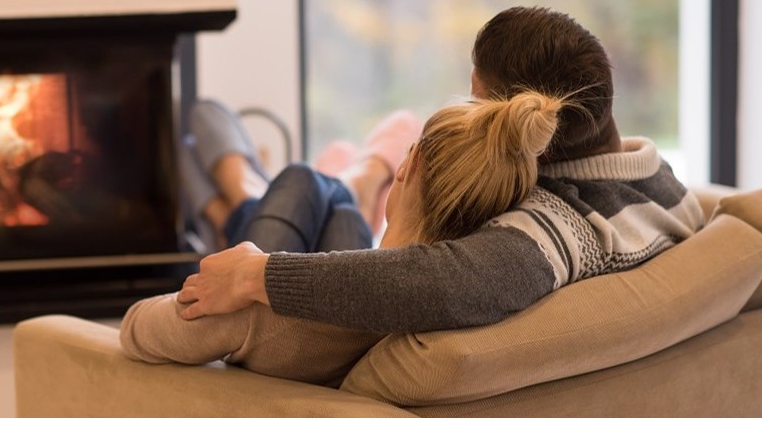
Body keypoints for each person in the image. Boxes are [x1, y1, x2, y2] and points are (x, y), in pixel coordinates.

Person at [173, 6, 705, 333]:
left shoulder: (553, 228)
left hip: (303, 342)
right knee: (314, 185)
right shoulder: (665, 184)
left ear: (517, 122)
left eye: (478, 105)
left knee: (295, 178)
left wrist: (254, 273)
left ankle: (248, 203)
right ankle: (257, 199)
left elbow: (444, 286)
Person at [121, 91, 564, 386]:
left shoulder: (254, 315)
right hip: (348, 284)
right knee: (340, 206)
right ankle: (320, 187)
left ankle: (245, 205)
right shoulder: (449, 308)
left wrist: (240, 270)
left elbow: (136, 329)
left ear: (408, 167)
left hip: (277, 323)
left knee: (219, 140)